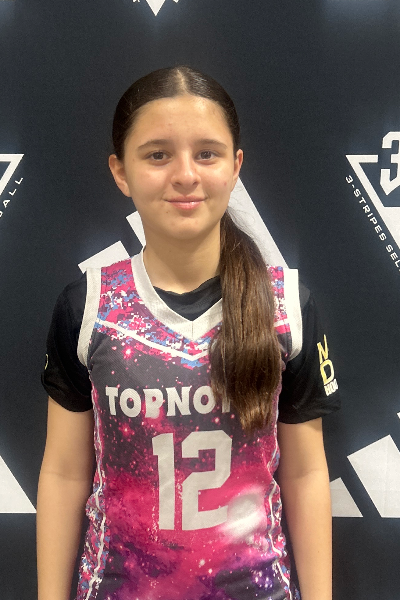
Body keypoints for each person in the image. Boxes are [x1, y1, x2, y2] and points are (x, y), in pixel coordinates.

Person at [37, 65, 340, 600]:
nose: (185, 175)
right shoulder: (88, 308)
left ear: (235, 166)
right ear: (120, 171)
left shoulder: (286, 307)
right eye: (157, 155)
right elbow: (63, 473)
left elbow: (305, 474)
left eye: (207, 154)